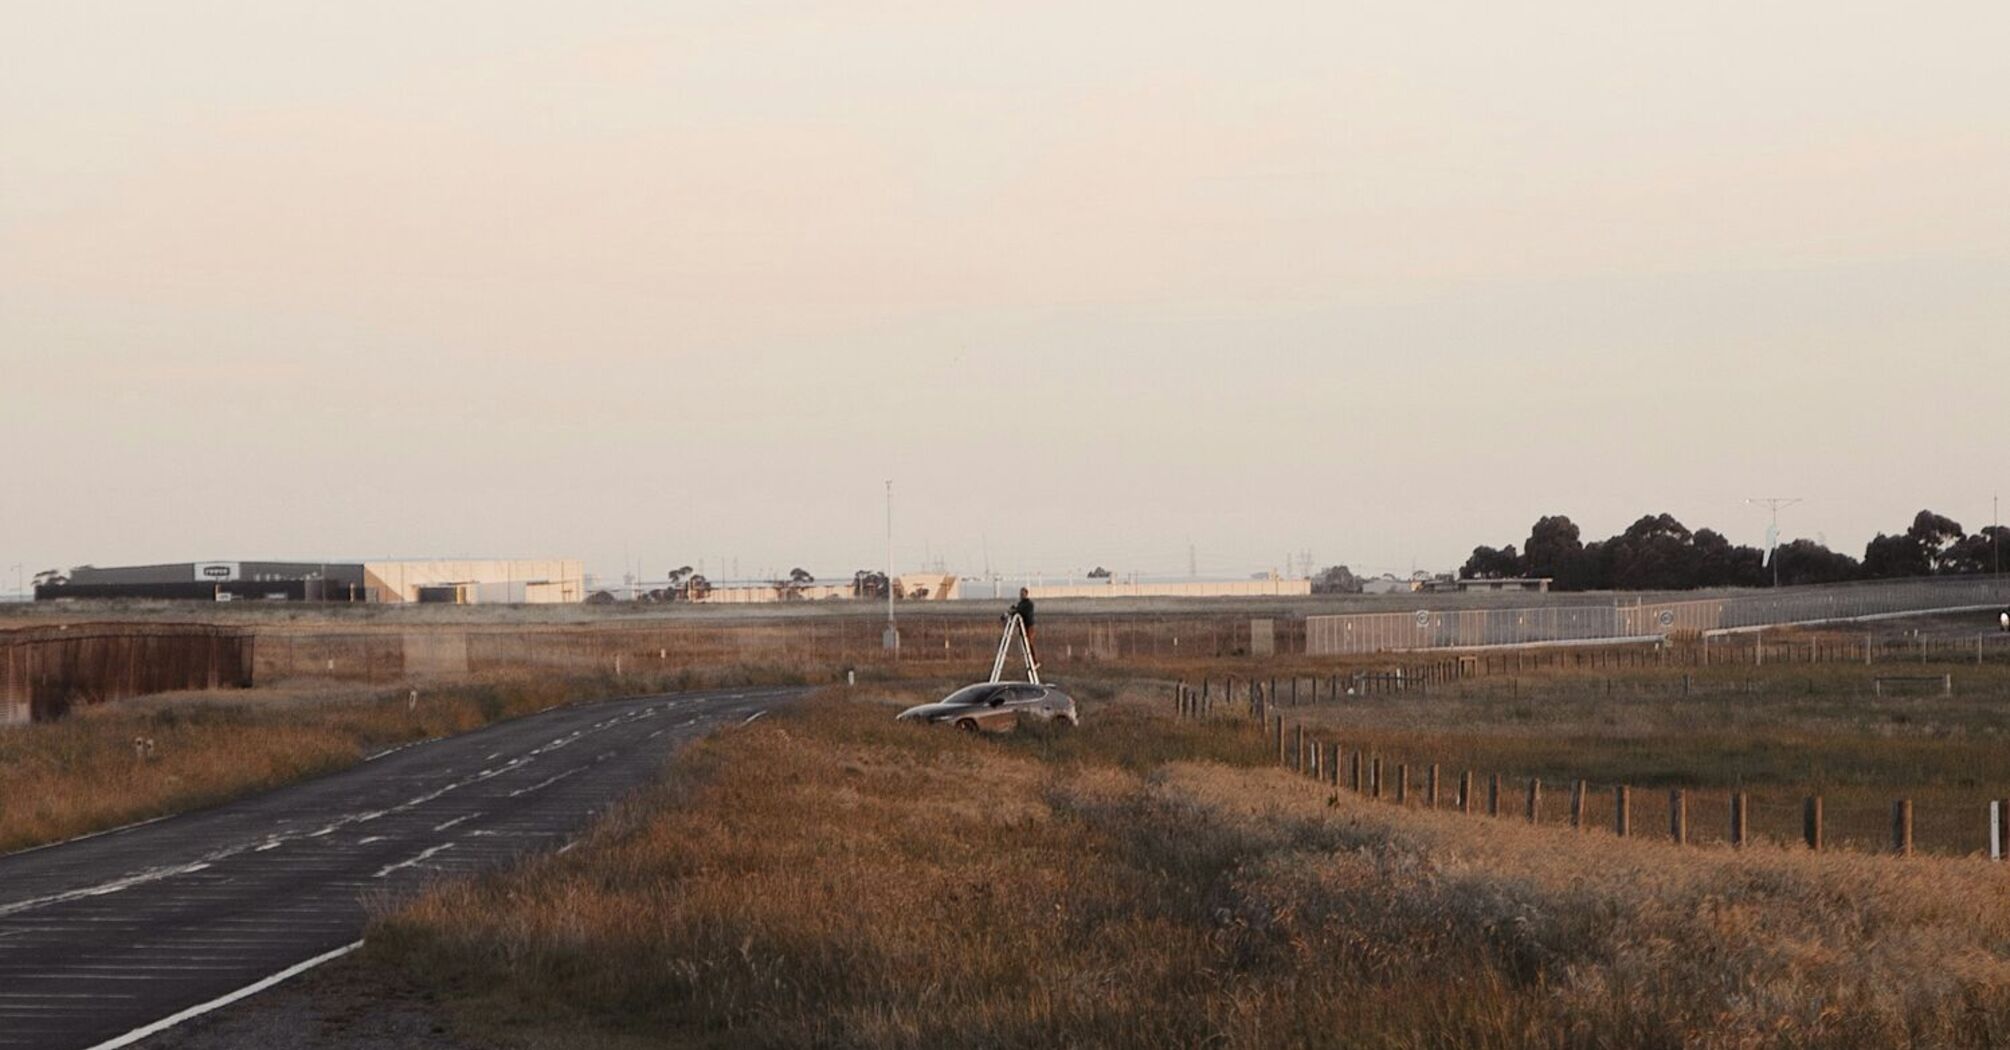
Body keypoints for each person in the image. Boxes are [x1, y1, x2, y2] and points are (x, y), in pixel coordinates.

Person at [1008, 587, 1038, 664]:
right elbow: (1018, 610)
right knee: (1024, 643)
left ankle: (1033, 660)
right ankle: (1029, 660)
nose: (1021, 595)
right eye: (1020, 594)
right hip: (1022, 626)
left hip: (1028, 626)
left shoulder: (1029, 604)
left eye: (1022, 594)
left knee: (1028, 642)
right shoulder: (1020, 604)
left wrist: (1015, 611)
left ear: (1026, 594)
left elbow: (1023, 612)